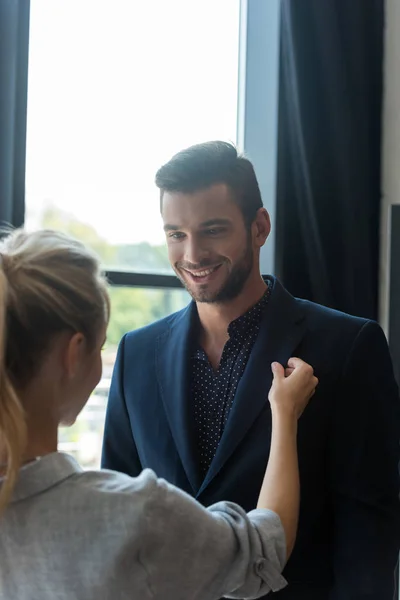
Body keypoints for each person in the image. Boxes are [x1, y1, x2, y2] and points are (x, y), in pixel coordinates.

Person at [102, 141, 400, 600]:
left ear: (259, 227)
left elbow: (369, 538)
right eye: (176, 234)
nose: (193, 253)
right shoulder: (136, 355)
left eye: (213, 230)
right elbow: (116, 523)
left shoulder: (348, 347)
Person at [0, 227, 318, 600]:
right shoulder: (133, 513)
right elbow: (263, 550)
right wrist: (283, 415)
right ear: (73, 354)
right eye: (99, 346)